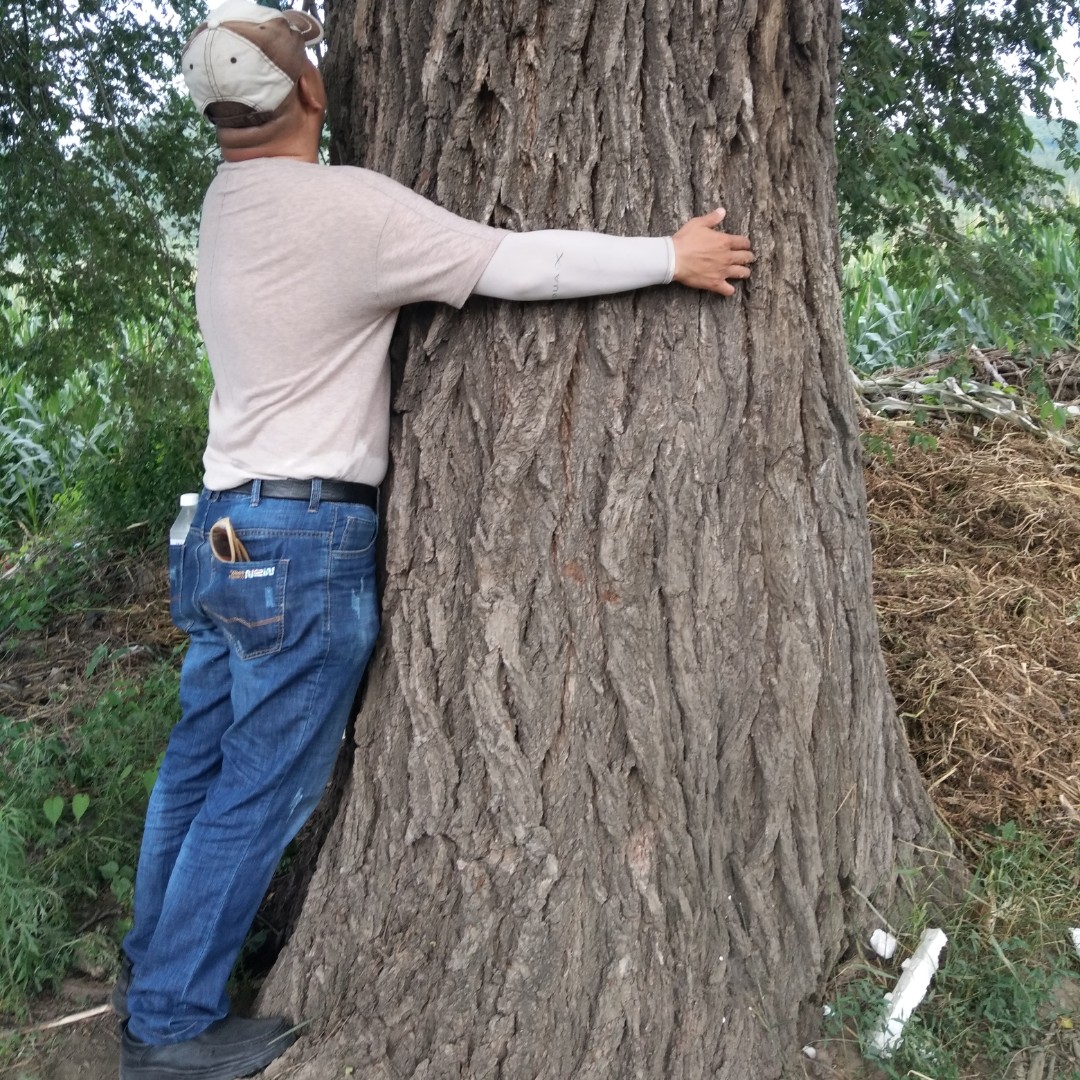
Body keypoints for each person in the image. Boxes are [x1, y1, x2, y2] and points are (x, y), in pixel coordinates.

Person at [115, 2, 754, 1077]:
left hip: (221, 532)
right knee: (255, 788)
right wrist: (668, 253)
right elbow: (517, 264)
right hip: (296, 541)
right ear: (313, 93)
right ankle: (171, 1025)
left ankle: (151, 978)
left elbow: (237, 51)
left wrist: (264, 32)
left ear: (215, 113)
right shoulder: (346, 211)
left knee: (195, 769)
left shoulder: (224, 203)